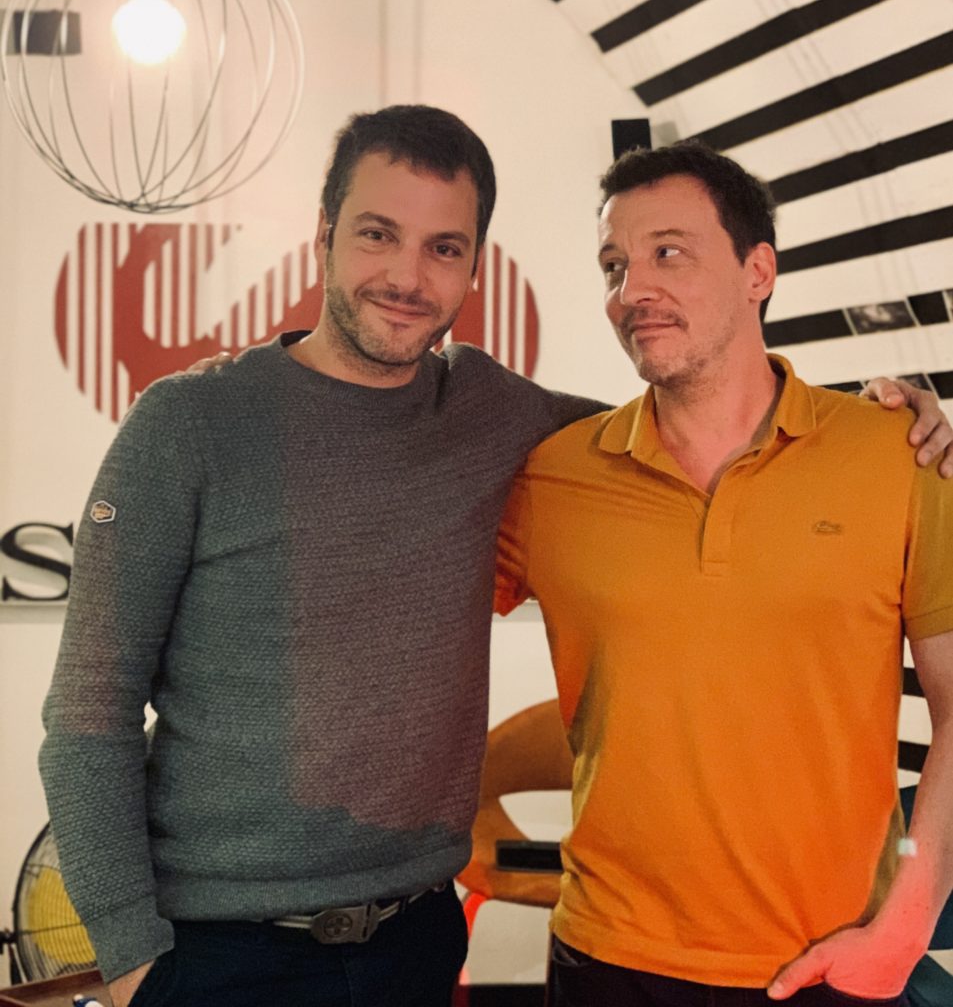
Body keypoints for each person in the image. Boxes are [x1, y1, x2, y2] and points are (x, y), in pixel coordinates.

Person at [39, 106, 948, 1007]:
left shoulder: (507, 422)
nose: (406, 275)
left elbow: (693, 418)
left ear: (474, 268)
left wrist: (878, 423)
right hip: (221, 954)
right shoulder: (191, 423)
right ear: (323, 237)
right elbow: (88, 711)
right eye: (377, 233)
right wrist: (131, 962)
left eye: (443, 247)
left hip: (417, 937)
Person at [495, 140, 953, 1007]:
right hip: (605, 960)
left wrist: (903, 929)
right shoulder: (553, 477)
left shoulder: (897, 455)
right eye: (613, 266)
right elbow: (399, 607)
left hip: (825, 965)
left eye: (667, 252)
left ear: (757, 271)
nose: (631, 290)